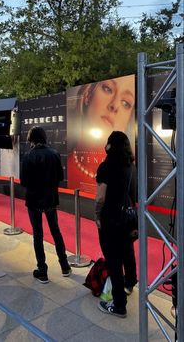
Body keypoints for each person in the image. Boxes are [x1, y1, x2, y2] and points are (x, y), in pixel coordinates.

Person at [67, 75, 135, 194]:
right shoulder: (67, 165)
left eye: (125, 103)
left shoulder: (130, 170)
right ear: (88, 94)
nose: (114, 106)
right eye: (108, 89)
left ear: (128, 120)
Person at [20, 126, 71, 283]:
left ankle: (42, 270)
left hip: (34, 200)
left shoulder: (28, 156)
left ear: (31, 139)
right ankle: (65, 266)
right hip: (50, 199)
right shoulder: (54, 154)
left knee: (38, 234)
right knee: (56, 231)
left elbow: (24, 181)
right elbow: (60, 177)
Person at [95, 131, 137, 318]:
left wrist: (97, 215)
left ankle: (119, 304)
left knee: (113, 260)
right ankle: (130, 283)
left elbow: (100, 197)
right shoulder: (131, 166)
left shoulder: (106, 166)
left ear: (110, 145)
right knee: (127, 251)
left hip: (111, 219)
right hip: (128, 218)